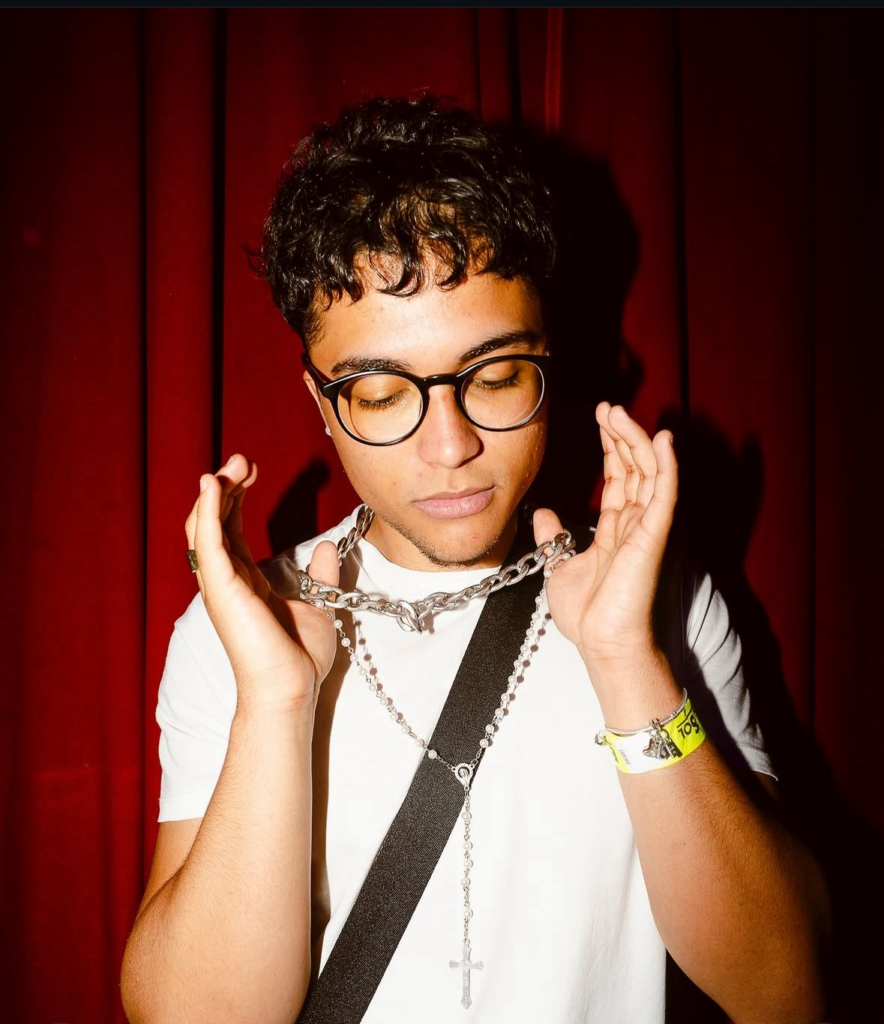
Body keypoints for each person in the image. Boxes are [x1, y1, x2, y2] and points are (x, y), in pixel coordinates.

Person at [121, 96, 829, 1024]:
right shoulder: (243, 631)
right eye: (381, 394)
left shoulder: (665, 606)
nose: (450, 445)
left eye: (495, 376)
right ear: (322, 402)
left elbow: (788, 987)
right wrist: (276, 704)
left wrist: (626, 660)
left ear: (551, 361)